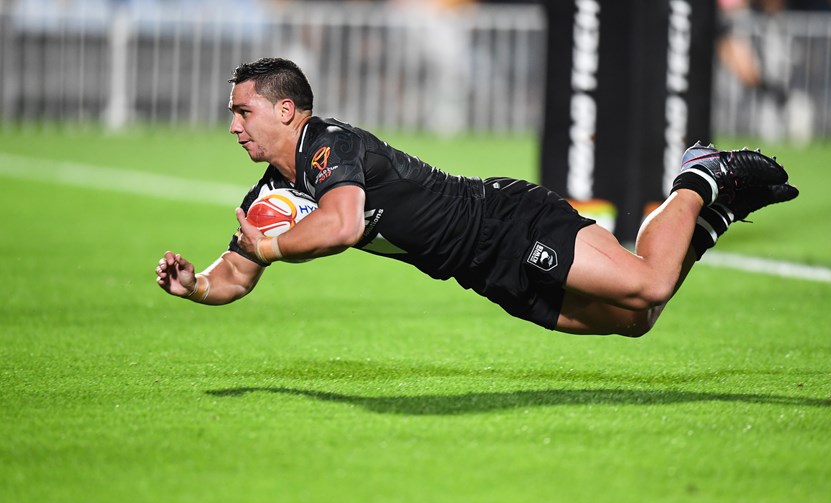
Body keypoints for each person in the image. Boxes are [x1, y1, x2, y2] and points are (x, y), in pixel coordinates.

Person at [155, 57, 798, 337]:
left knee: (652, 286)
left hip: (508, 223)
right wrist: (198, 286)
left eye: (243, 111)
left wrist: (269, 241)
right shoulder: (272, 189)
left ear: (287, 109)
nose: (234, 125)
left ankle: (698, 178)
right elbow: (238, 271)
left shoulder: (330, 145)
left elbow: (342, 223)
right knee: (636, 321)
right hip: (481, 270)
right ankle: (709, 217)